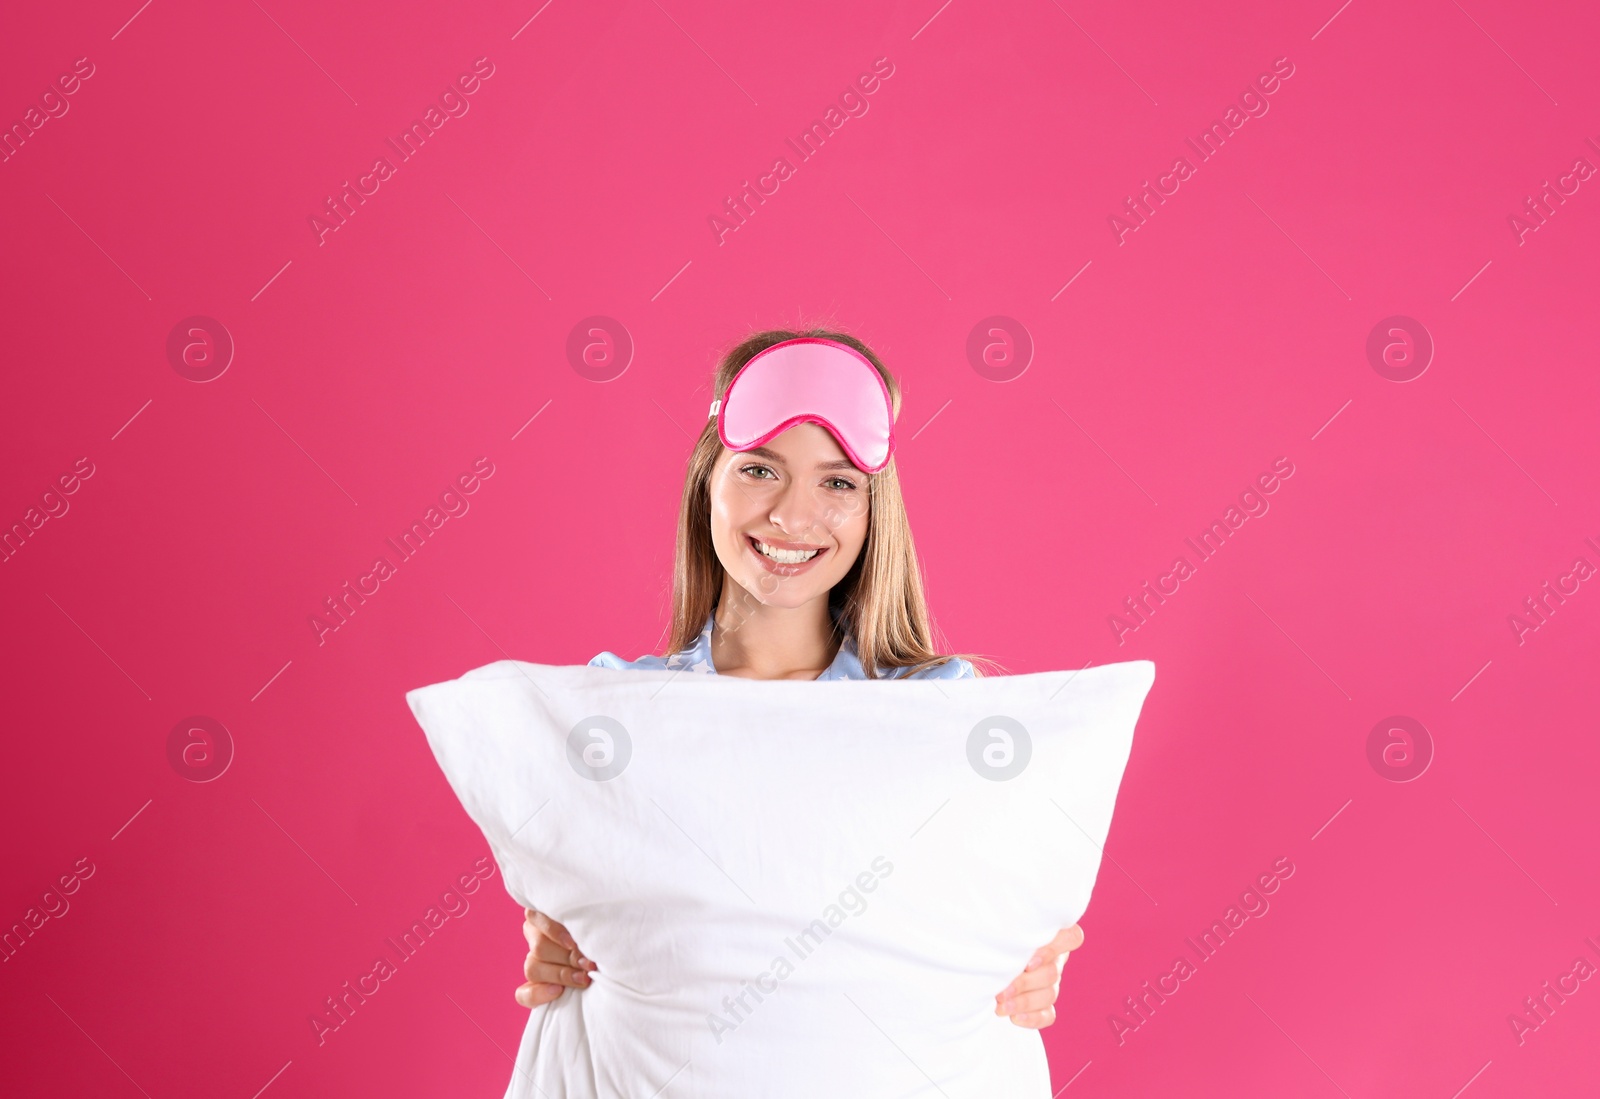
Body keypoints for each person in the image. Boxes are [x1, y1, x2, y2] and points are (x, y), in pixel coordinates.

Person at [516, 327, 1086, 1029]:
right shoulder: (620, 706)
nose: (791, 515)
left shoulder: (939, 705)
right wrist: (561, 948)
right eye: (760, 469)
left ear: (876, 511)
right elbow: (583, 906)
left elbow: (1000, 895)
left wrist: (1035, 955)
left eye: (838, 482)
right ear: (708, 481)